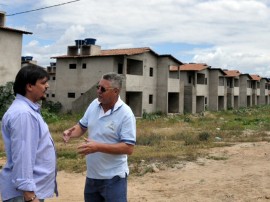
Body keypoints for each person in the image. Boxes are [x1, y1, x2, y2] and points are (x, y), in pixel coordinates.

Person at [63, 72, 136, 202]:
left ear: (115, 91)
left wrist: (98, 147)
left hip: (114, 178)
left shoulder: (126, 114)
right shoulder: (94, 105)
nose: (98, 91)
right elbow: (82, 126)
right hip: (92, 176)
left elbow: (128, 148)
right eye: (98, 87)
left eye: (103, 89)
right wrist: (70, 132)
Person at [0, 64, 58, 202]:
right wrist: (29, 193)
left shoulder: (27, 111)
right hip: (24, 194)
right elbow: (23, 153)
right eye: (43, 83)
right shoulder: (23, 114)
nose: (47, 86)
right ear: (29, 86)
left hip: (27, 192)